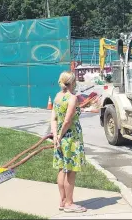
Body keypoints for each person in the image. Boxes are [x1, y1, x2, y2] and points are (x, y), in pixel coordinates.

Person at [50, 71, 87, 213]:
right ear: (72, 82)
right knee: (70, 171)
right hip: (71, 139)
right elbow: (67, 120)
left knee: (61, 169)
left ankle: (63, 200)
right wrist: (60, 135)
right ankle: (69, 203)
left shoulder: (57, 97)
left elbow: (53, 118)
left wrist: (55, 136)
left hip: (59, 138)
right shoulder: (72, 98)